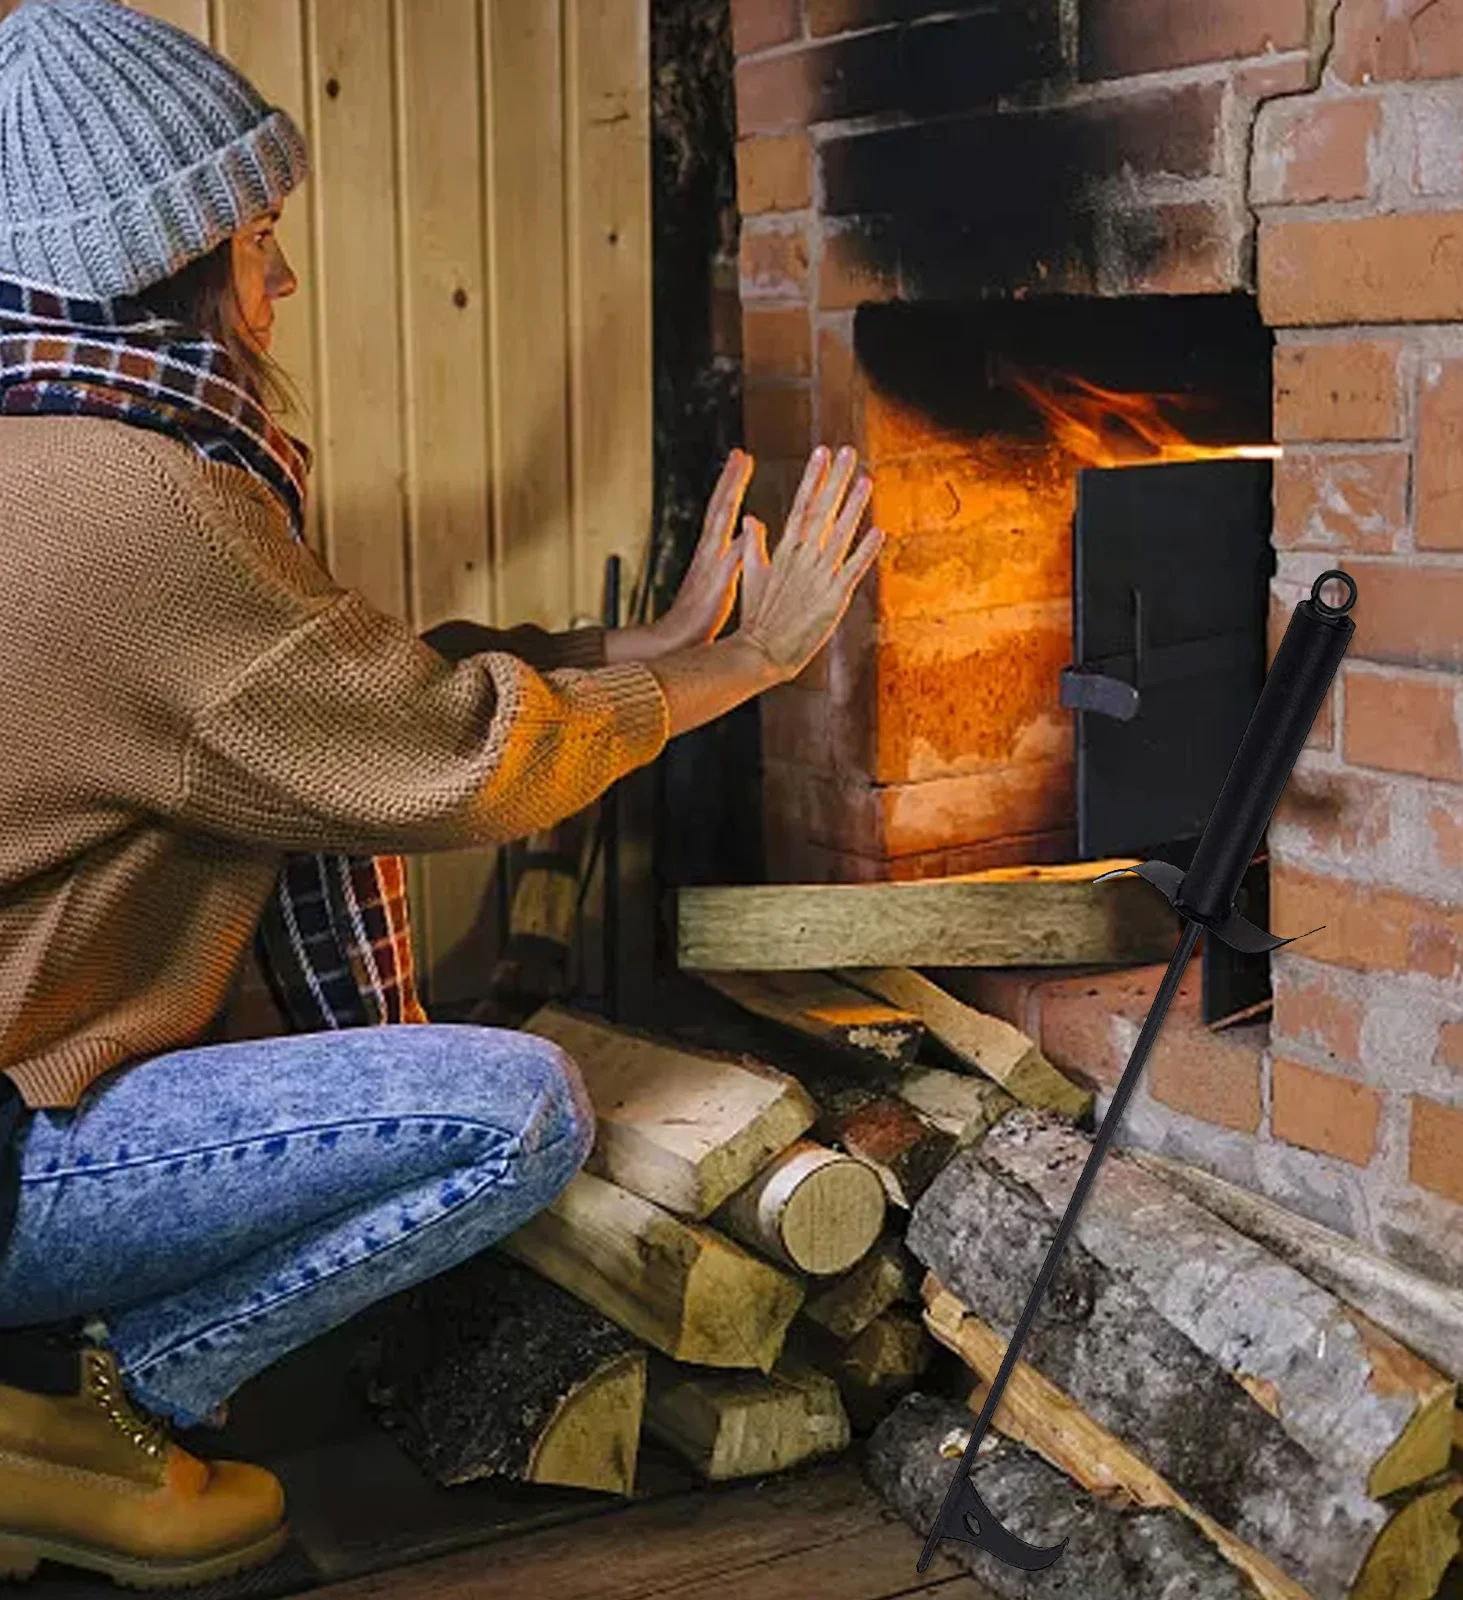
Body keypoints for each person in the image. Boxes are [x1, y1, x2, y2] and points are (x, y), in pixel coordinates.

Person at [0, 0, 884, 1587]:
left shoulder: (54, 450)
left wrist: (640, 647)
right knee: (514, 1111)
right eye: (259, 239)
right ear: (171, 258)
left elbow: (325, 691)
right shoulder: (147, 507)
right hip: (18, 1155)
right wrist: (747, 664)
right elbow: (456, 757)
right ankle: (89, 1412)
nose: (281, 279)